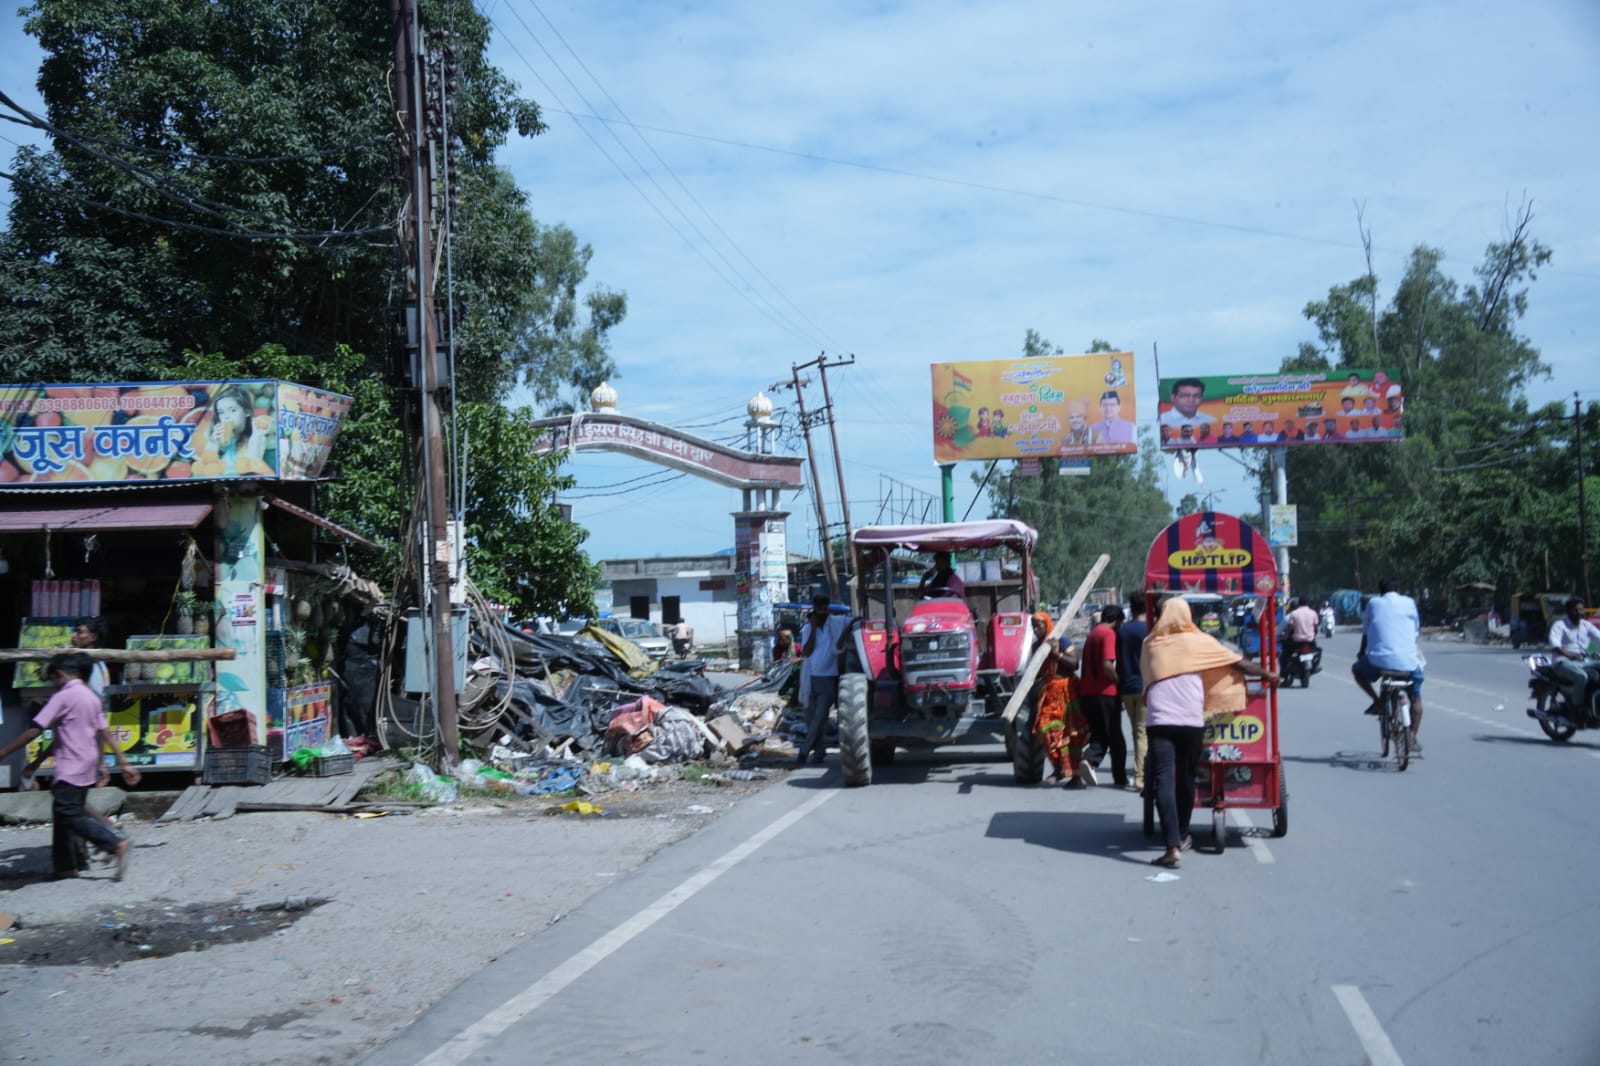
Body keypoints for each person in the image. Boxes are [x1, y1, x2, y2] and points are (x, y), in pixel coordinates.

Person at [1141, 598, 1277, 868]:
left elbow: (1147, 677)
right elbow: (1238, 663)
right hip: (1191, 721)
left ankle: (1172, 847)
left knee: (1163, 782)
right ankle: (1182, 836)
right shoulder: (1198, 641)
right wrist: (1269, 675)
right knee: (1186, 777)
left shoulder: (1150, 643)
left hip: (1160, 721)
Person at [0, 653, 140, 880]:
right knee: (64, 813)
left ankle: (115, 844)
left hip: (71, 764)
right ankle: (66, 866)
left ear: (61, 675)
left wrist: (4, 752)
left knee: (68, 813)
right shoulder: (91, 697)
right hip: (87, 763)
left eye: (53, 678)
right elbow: (104, 731)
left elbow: (35, 729)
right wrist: (122, 761)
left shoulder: (63, 697)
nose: (53, 683)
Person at [1352, 579, 1426, 750]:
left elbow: (1366, 632)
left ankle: (1377, 701)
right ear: (1398, 590)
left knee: (1357, 670)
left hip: (1379, 661)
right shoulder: (1409, 602)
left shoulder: (1374, 603)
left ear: (1381, 592)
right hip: (1408, 661)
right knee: (1416, 697)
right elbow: (1415, 631)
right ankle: (1413, 737)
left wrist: (1362, 652)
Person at [1029, 611, 1091, 787]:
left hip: (1067, 691)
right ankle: (1059, 770)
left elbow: (1074, 663)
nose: (1035, 629)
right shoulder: (1036, 646)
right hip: (1048, 693)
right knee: (1047, 730)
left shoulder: (1061, 641)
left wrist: (1057, 654)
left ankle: (1074, 775)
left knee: (1071, 734)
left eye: (1038, 626)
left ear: (1047, 624)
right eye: (1033, 626)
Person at [795, 594, 852, 767]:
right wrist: (812, 628)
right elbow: (806, 652)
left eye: (825, 608)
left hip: (828, 679)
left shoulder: (835, 623)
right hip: (810, 678)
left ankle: (804, 750)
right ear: (814, 609)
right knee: (812, 718)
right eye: (819, 609)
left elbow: (852, 622)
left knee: (820, 717)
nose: (823, 612)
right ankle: (819, 752)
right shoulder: (807, 629)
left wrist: (844, 634)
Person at [1078, 604, 1128, 788]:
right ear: (1116, 621)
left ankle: (1090, 759)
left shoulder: (1093, 633)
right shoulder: (1108, 634)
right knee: (1116, 738)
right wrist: (1118, 682)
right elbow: (1107, 665)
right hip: (1104, 692)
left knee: (1099, 733)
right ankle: (1119, 776)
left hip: (1087, 692)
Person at [1116, 593, 1151, 794]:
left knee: (1136, 731)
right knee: (1142, 733)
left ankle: (1139, 772)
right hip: (1145, 686)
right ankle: (1140, 776)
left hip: (1126, 686)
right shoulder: (1149, 629)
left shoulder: (1122, 631)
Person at [1546, 597, 1600, 718]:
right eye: (1576, 610)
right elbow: (1554, 644)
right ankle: (1576, 709)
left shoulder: (1587, 625)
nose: (1580, 612)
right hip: (1563, 662)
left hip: (1584, 662)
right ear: (1569, 611)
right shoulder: (1559, 625)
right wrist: (1568, 654)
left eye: (1581, 609)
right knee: (1581, 676)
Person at [202, 384, 269, 476]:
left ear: (246, 412)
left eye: (233, 410)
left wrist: (256, 436)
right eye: (221, 412)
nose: (226, 416)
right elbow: (207, 469)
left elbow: (252, 467)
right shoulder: (211, 435)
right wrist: (214, 443)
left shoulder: (257, 437)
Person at [1283, 597, 1323, 674]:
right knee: (1318, 651)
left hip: (1296, 641)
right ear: (1308, 603)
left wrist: (1287, 635)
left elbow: (1290, 628)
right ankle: (1316, 666)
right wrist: (1313, 634)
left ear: (1299, 604)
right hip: (1310, 641)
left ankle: (1286, 671)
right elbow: (1316, 628)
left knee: (1287, 654)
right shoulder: (1313, 613)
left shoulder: (1294, 613)